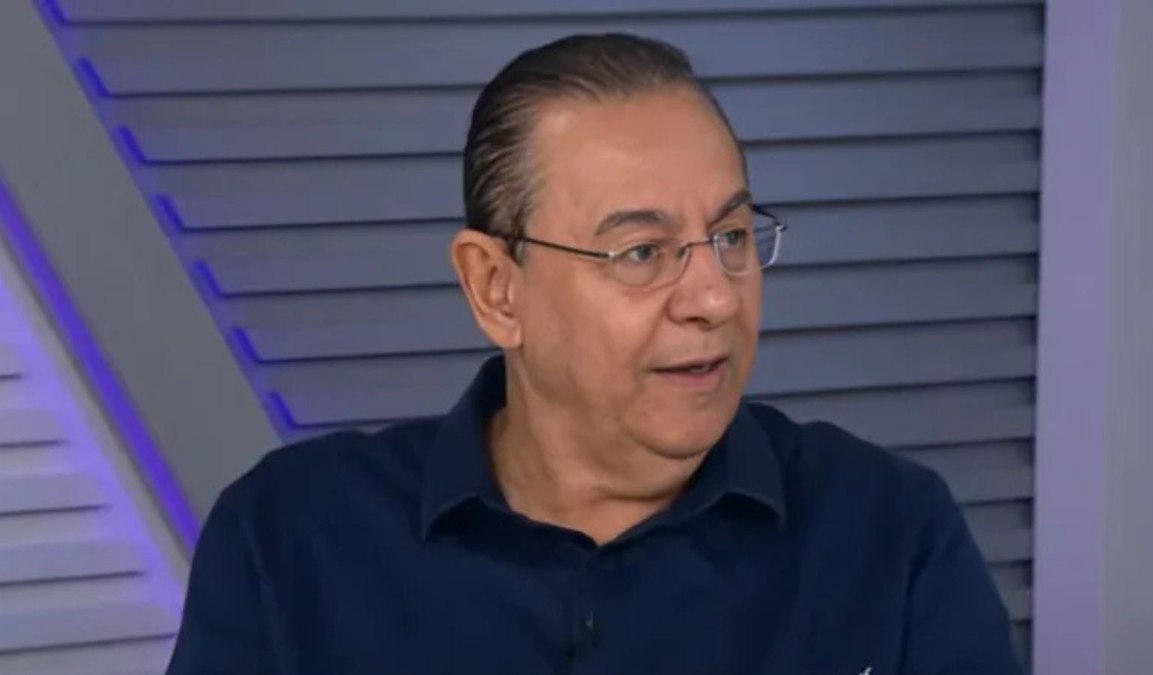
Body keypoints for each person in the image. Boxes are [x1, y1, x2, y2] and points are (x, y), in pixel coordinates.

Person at [166, 33, 1022, 674]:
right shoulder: (290, 539)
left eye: (731, 235)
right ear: (497, 289)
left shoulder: (889, 531)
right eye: (642, 252)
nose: (716, 298)